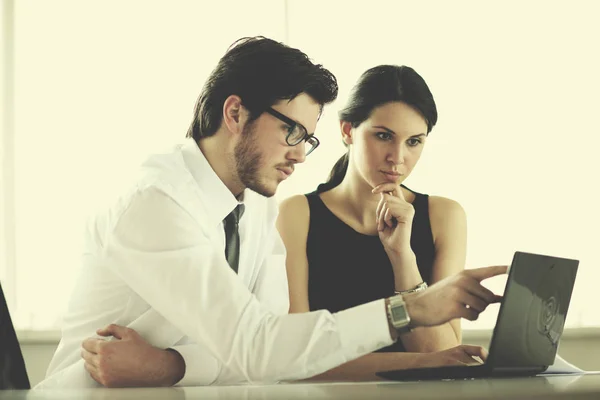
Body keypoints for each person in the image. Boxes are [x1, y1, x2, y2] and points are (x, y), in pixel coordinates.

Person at [36, 37, 506, 389]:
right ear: (236, 113)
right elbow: (258, 348)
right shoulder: (155, 203)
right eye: (291, 132)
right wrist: (411, 308)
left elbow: (275, 348)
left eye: (308, 139)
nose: (301, 157)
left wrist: (169, 365)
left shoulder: (255, 207)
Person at [277, 65, 482, 381]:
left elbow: (442, 357)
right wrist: (414, 365)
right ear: (348, 131)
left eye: (414, 142)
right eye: (384, 136)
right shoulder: (297, 214)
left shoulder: (444, 216)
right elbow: (295, 358)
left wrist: (403, 257)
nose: (397, 158)